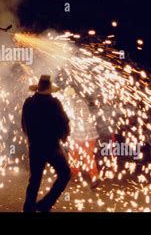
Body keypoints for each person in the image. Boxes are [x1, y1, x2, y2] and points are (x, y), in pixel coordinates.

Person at [21, 75, 71, 212]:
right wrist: (64, 136)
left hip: (35, 146)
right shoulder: (54, 103)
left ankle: (28, 208)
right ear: (49, 88)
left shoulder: (28, 102)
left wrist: (30, 138)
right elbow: (64, 121)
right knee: (65, 174)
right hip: (51, 146)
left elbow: (23, 124)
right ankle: (45, 204)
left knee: (35, 179)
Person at [63, 86, 100, 188]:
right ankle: (90, 177)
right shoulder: (79, 101)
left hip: (82, 136)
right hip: (86, 136)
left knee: (78, 156)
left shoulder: (75, 103)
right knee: (84, 157)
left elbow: (72, 118)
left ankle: (81, 176)